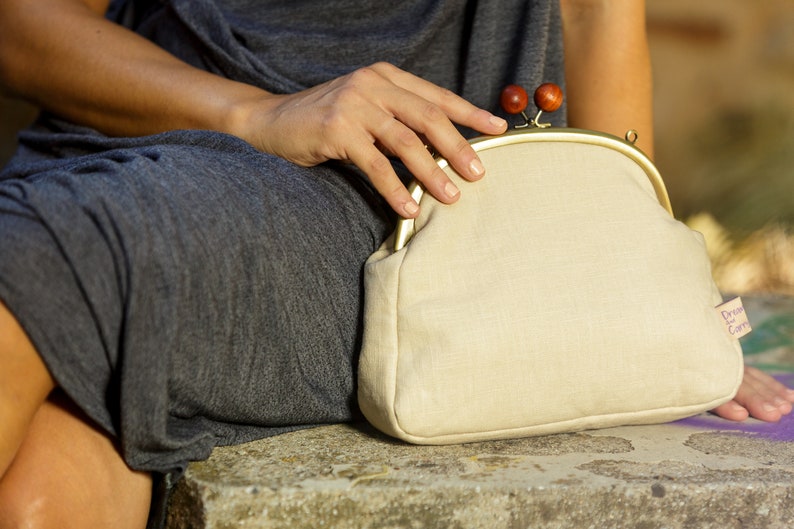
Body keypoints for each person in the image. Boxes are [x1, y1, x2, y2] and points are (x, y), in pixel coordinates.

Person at [0, 0, 792, 527]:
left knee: (27, 269)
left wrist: (647, 294)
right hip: (119, 128)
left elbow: (593, 15)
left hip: (393, 188)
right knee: (38, 493)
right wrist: (254, 112)